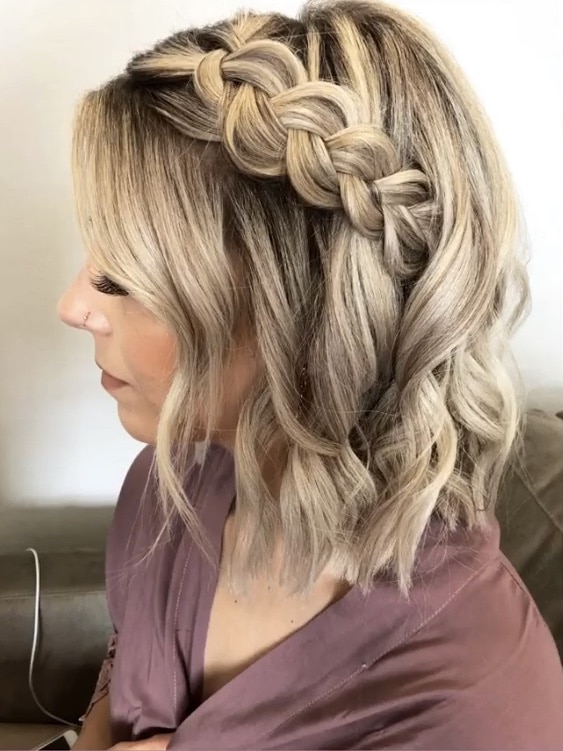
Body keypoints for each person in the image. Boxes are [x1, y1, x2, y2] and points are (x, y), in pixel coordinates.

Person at [57, 1, 563, 748]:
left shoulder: (476, 703)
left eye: (124, 278)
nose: (73, 306)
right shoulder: (167, 486)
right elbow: (118, 683)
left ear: (296, 320)